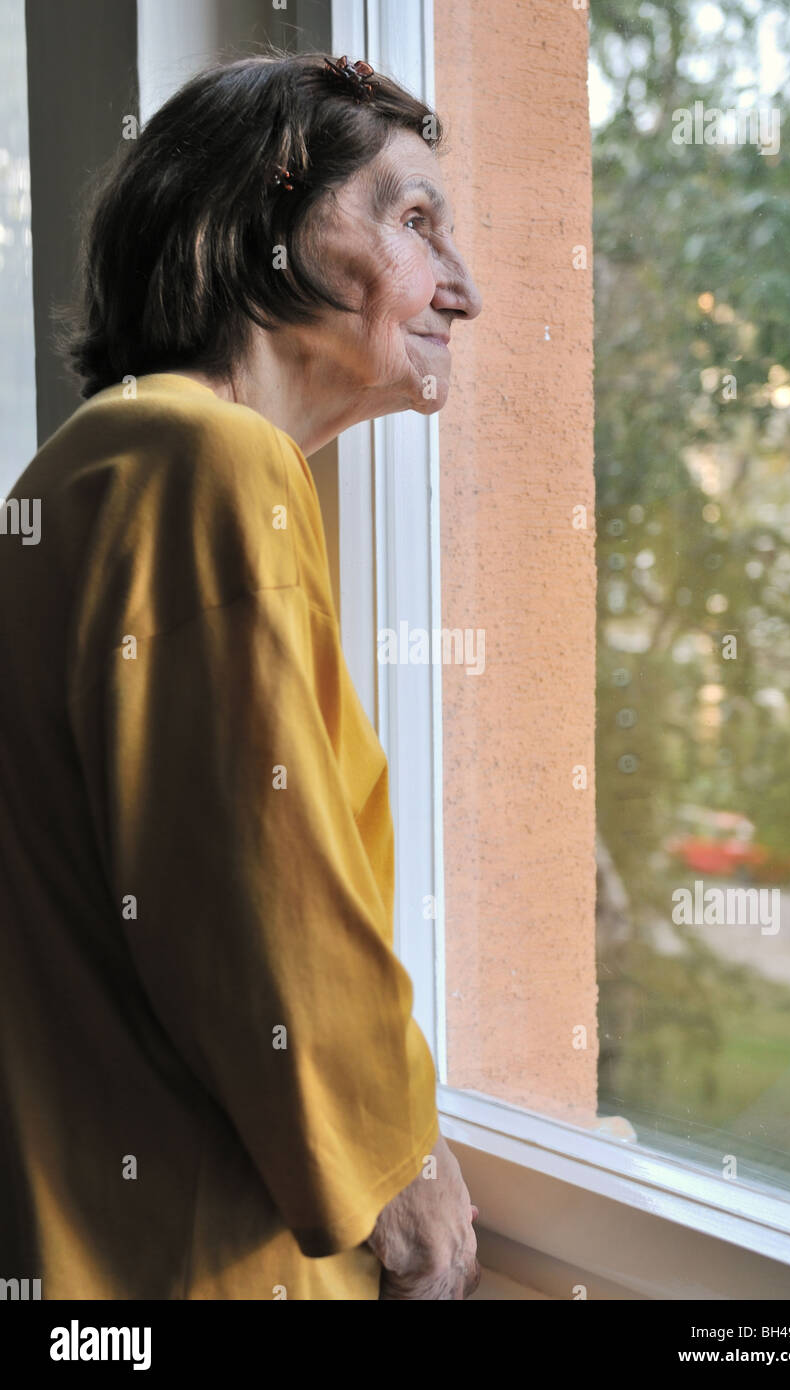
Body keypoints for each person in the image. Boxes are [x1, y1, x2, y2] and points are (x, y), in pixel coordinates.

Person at [0, 49, 482, 1301]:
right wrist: (402, 1166)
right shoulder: (203, 461)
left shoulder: (78, 472)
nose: (461, 291)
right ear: (265, 214)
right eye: (416, 221)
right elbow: (262, 899)